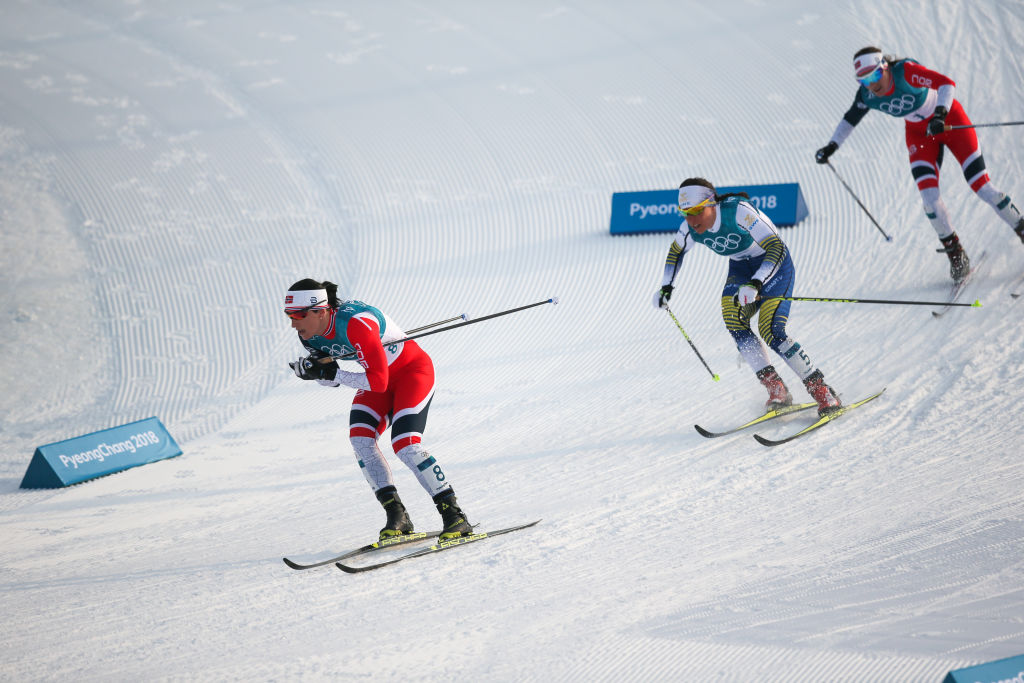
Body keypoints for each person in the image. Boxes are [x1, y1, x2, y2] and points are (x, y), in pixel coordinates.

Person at [815, 46, 1024, 283]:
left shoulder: (905, 72)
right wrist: (831, 146)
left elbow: (946, 83)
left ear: (884, 66)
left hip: (949, 121)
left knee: (982, 186)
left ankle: (1021, 228)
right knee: (929, 201)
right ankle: (957, 255)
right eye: (863, 80)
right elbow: (850, 119)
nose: (871, 85)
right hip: (919, 135)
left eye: (874, 75)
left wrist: (939, 114)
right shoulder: (867, 96)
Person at [284, 278, 473, 540]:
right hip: (376, 382)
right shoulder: (309, 335)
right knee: (361, 440)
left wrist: (331, 374)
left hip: (411, 373)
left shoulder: (357, 324)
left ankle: (454, 516)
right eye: (289, 316)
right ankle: (398, 516)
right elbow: (332, 380)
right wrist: (313, 373)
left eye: (299, 316)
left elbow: (376, 381)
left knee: (405, 444)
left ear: (320, 311)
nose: (293, 323)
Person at [653, 178, 842, 417]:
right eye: (685, 213)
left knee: (771, 330)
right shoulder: (690, 228)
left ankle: (823, 392)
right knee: (733, 319)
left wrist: (757, 281)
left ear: (711, 203)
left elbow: (776, 247)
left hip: (773, 265)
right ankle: (776, 389)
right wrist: (665, 287)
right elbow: (676, 251)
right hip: (741, 268)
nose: (691, 220)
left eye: (696, 211)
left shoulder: (738, 212)